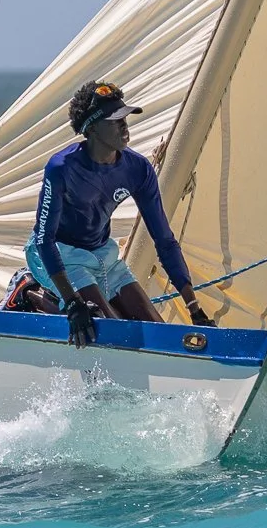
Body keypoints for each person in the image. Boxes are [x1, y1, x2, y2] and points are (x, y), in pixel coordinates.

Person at [26, 80, 214, 348]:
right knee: (108, 331)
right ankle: (31, 292)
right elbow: (45, 240)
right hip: (60, 255)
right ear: (91, 128)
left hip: (105, 256)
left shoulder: (138, 168)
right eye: (115, 120)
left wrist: (194, 308)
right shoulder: (61, 168)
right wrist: (72, 302)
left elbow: (164, 240)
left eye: (125, 117)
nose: (124, 126)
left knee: (157, 333)